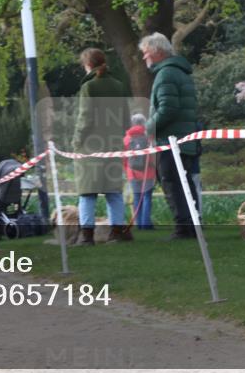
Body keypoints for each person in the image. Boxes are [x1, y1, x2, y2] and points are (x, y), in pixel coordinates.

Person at [139, 32, 201, 240]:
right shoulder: (181, 73)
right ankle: (192, 226)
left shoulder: (165, 74)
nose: (144, 57)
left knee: (172, 184)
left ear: (157, 52)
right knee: (186, 184)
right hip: (186, 140)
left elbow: (168, 109)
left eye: (146, 53)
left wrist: (148, 128)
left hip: (170, 142)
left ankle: (183, 228)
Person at [71, 47, 131, 246]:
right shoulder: (119, 85)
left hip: (90, 147)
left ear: (87, 65)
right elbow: (125, 119)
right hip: (113, 145)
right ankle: (117, 232)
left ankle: (87, 236)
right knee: (114, 192)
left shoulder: (89, 87)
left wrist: (76, 141)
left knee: (87, 193)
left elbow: (85, 118)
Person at [123, 113, 156, 230]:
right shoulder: (149, 137)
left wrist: (126, 170)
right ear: (144, 123)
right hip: (148, 171)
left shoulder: (127, 138)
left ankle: (139, 224)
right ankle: (146, 224)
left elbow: (124, 157)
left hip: (132, 172)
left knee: (137, 197)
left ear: (133, 123)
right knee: (147, 196)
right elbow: (153, 155)